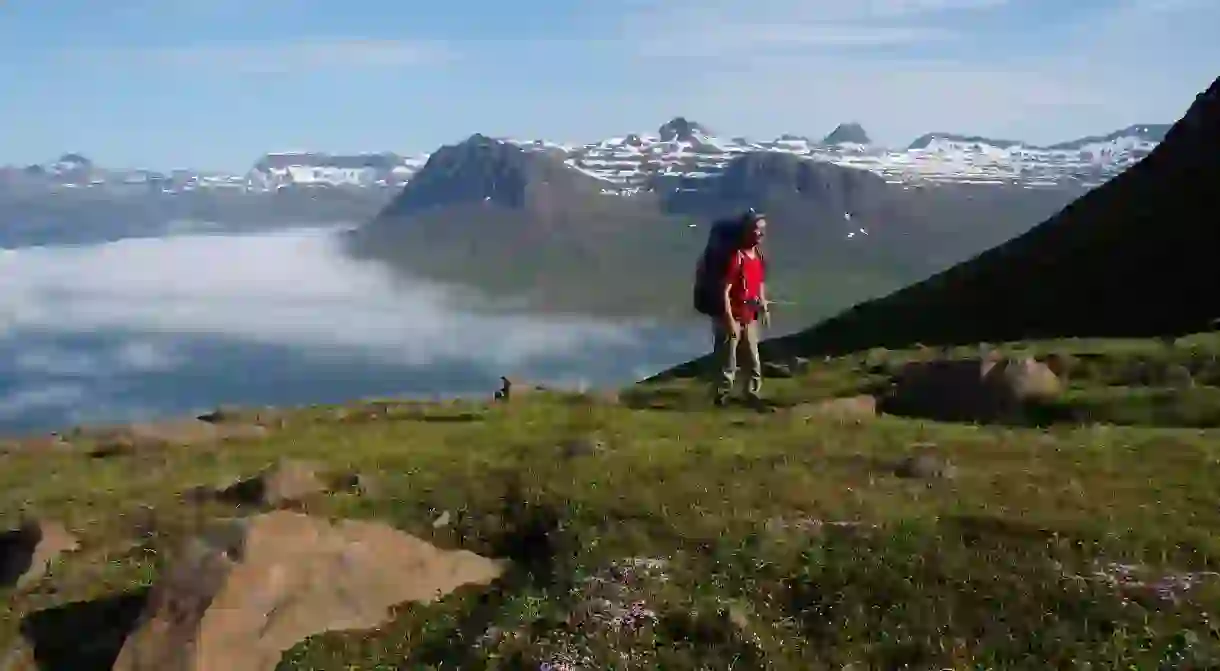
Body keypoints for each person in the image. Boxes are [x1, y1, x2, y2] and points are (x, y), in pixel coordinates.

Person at [710, 210, 769, 407]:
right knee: (728, 361)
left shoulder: (758, 256)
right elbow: (724, 290)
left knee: (753, 359)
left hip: (749, 315)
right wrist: (728, 320)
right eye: (757, 230)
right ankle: (722, 396)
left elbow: (759, 283)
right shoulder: (736, 257)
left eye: (762, 230)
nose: (761, 234)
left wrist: (763, 306)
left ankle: (752, 394)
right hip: (732, 316)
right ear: (746, 231)